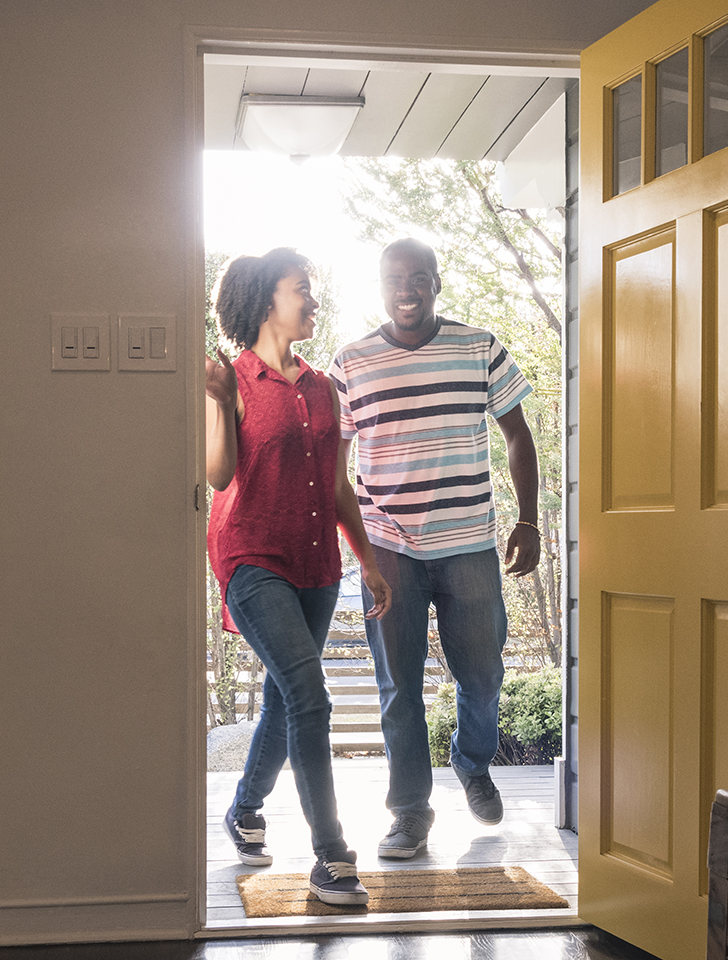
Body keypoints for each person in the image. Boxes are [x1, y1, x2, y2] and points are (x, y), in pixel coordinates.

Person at [330, 237, 541, 860]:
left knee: (482, 673)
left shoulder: (479, 347)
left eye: (419, 277)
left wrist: (528, 521)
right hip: (389, 548)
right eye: (395, 279)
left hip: (469, 542)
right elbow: (335, 471)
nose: (407, 289)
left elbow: (518, 436)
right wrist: (358, 552)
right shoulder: (352, 362)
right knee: (399, 687)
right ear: (380, 285)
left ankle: (472, 762)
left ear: (436, 282)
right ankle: (409, 813)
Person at [205, 247, 391, 905]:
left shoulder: (322, 388)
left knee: (288, 697)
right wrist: (220, 402)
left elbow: (338, 487)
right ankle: (332, 857)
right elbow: (220, 475)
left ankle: (245, 808)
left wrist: (367, 562)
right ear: (265, 301)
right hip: (252, 559)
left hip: (316, 563)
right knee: (312, 698)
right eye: (300, 289)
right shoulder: (230, 379)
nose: (312, 300)